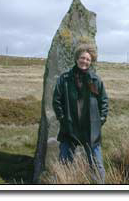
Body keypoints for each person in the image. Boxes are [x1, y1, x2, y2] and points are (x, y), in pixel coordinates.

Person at [52, 44, 108, 184]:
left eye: (88, 59)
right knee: (64, 163)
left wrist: (100, 119)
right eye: (82, 58)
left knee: (97, 165)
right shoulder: (64, 79)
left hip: (90, 128)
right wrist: (62, 118)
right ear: (77, 58)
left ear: (91, 61)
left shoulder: (95, 80)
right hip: (69, 126)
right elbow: (56, 100)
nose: (85, 61)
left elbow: (104, 101)